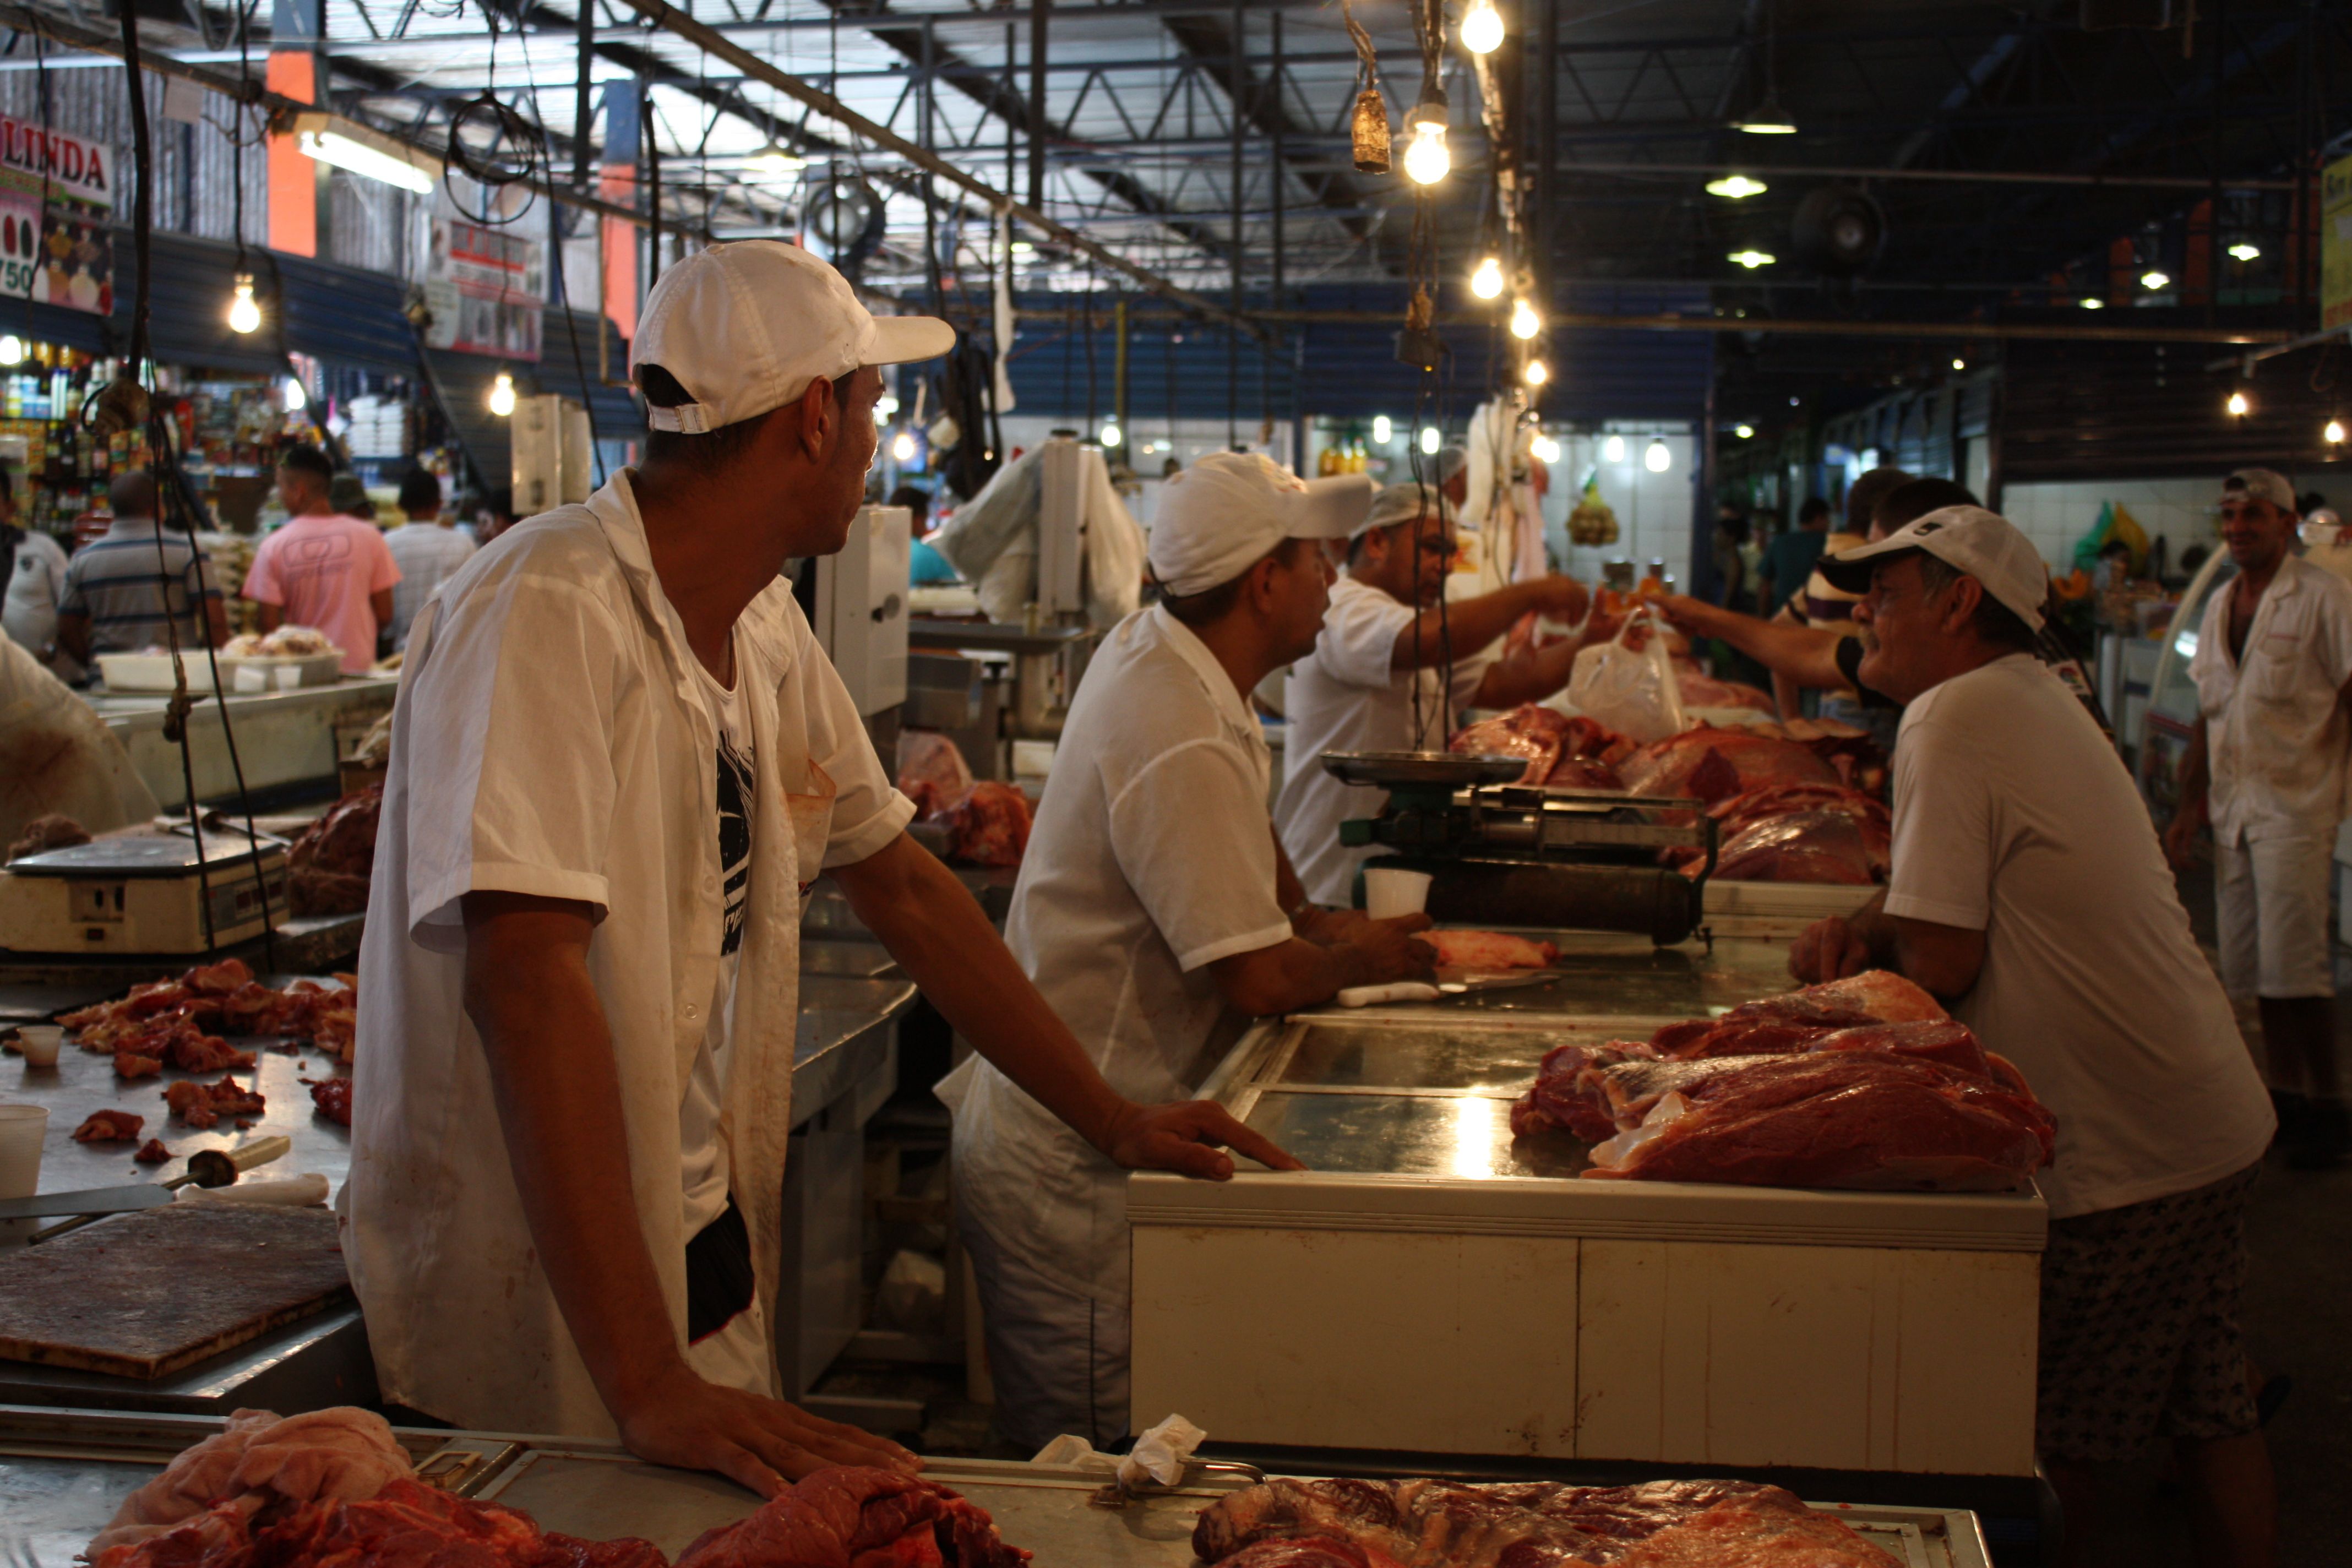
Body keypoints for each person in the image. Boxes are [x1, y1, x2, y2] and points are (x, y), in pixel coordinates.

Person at [346, 240, 1288, 1495]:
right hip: (540, 1288)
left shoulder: (762, 622)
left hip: (696, 1252)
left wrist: (1107, 1112)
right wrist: (646, 1378)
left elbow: (900, 882)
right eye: (870, 407)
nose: (872, 440)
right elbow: (525, 979)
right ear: (808, 418)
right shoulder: (549, 604)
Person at [1789, 506, 2277, 1568]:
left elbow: (1944, 966)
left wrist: (1819, 1026)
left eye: (1888, 587)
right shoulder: (2022, 697)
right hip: (2207, 1121)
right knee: (2208, 1411)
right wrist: (1872, 919)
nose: (1861, 607)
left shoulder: (1953, 713)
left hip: (2128, 1155)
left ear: (1960, 599)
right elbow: (1946, 899)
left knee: (2058, 1453)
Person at [941, 452, 1438, 1450]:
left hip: (1100, 1132)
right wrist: (1384, 956)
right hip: (1077, 1176)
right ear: (1263, 581)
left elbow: (1268, 893)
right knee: (1095, 1472)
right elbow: (1256, 977)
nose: (1332, 583)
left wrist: (1320, 923)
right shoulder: (1176, 721)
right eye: (1316, 561)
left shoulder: (1171, 655)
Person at [1274, 480, 1592, 905]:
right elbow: (1427, 640)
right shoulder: (1345, 607)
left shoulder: (1410, 618)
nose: (1444, 565)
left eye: (1449, 553)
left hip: (1393, 868)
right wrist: (1531, 592)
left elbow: (1501, 683)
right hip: (1330, 878)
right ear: (1376, 542)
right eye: (1431, 548)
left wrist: (1592, 642)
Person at [2165, 468, 2352, 1170]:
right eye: (2230, 516)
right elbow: (2208, 717)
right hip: (2233, 811)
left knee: (2297, 970)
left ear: (2287, 521)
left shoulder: (2325, 598)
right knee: (2249, 971)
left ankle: (2330, 1106)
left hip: (2296, 807)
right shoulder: (2219, 603)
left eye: (2254, 515)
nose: (2239, 527)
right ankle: (2286, 1097)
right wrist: (2188, 809)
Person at [242, 446, 399, 674]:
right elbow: (384, 614)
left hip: (300, 676)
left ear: (299, 491)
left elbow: (268, 626)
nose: (279, 495)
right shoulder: (370, 537)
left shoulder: (273, 546)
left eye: (281, 486)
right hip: (359, 671)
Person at [54, 472, 230, 672]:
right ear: (156, 506)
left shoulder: (83, 559)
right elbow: (215, 624)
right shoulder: (188, 551)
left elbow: (66, 629)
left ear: (114, 510)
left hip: (110, 684)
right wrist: (203, 667)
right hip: (176, 681)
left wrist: (96, 665)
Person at [382, 467, 475, 654]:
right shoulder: (463, 544)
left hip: (400, 656)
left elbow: (385, 618)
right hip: (449, 652)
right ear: (439, 503)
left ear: (400, 504)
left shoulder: (387, 544)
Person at [2, 474, 74, 681]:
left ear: (10, 507)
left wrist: (52, 649)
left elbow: (75, 610)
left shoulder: (43, 548)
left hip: (49, 677)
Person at [1755, 495, 1833, 618]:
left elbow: (1765, 585)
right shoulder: (1828, 544)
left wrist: (1763, 618)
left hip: (1782, 617)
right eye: (1828, 520)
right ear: (1819, 518)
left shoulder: (1780, 542)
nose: (1829, 525)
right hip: (1815, 618)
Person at [896, 484, 957, 586]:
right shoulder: (930, 556)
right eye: (925, 520)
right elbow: (957, 594)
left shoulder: (876, 551)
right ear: (918, 519)